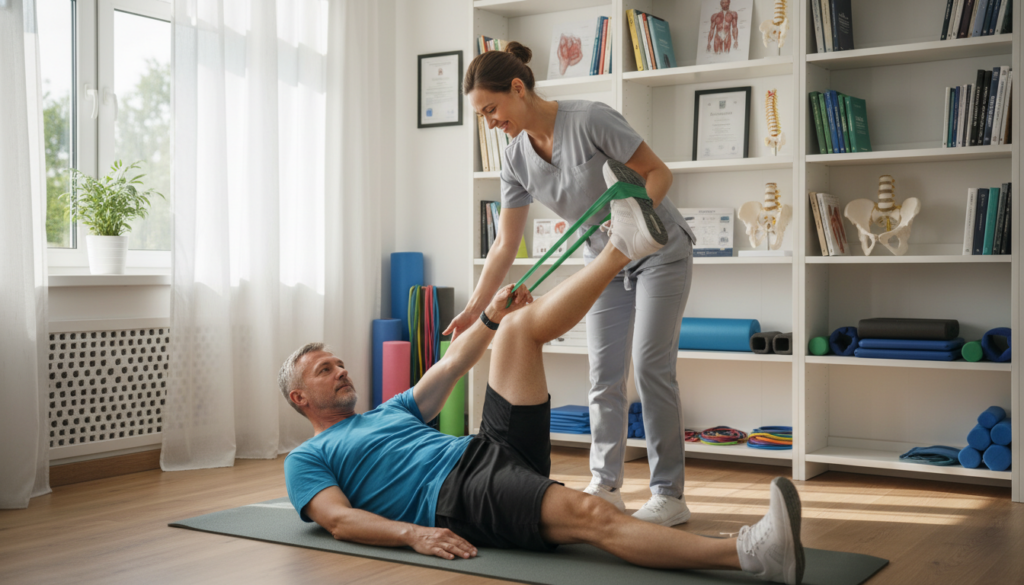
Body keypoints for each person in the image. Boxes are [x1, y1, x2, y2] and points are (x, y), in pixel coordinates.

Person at [281, 166, 805, 585]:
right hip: (459, 494)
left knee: (516, 330)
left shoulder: (389, 411)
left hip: (484, 449)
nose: (343, 370)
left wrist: (492, 312)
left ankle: (623, 244)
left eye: (339, 362)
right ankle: (751, 555)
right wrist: (412, 535)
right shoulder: (308, 459)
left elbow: (454, 363)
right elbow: (339, 520)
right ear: (302, 397)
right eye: (327, 370)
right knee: (592, 516)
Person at [446, 41, 697, 526]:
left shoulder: (589, 119)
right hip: (603, 263)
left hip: (658, 250)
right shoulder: (516, 158)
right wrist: (476, 309)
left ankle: (670, 494)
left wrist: (634, 226)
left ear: (518, 88)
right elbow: (504, 246)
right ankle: (606, 485)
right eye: (483, 116)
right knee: (603, 374)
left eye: (492, 109)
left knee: (649, 366)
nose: (491, 123)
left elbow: (657, 173)